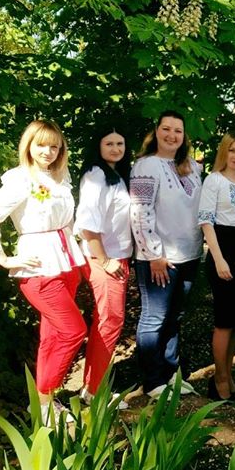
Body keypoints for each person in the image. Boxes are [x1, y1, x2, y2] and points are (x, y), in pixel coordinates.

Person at [0, 120, 87, 425]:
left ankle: (45, 406)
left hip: (67, 265)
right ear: (29, 146)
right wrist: (2, 258)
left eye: (54, 146)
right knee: (73, 331)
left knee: (51, 337)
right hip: (39, 269)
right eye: (41, 145)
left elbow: (68, 222)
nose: (48, 152)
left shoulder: (60, 178)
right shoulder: (21, 180)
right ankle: (47, 395)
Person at [129, 110, 203, 398]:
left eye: (178, 130)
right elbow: (140, 211)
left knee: (175, 316)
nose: (172, 135)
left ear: (184, 136)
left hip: (189, 254)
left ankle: (171, 373)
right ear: (156, 131)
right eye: (166, 129)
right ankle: (152, 380)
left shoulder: (191, 167)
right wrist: (153, 254)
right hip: (160, 258)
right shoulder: (146, 165)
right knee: (155, 317)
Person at [74, 122, 133, 409]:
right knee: (109, 323)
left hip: (116, 257)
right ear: (97, 146)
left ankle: (92, 385)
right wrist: (105, 260)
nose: (115, 148)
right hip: (104, 259)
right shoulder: (96, 175)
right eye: (109, 143)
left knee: (107, 322)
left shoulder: (114, 174)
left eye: (120, 144)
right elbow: (87, 224)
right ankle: (95, 392)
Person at [198, 131, 235, 401]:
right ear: (224, 151)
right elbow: (206, 221)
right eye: (232, 150)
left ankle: (228, 373)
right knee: (223, 320)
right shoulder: (214, 180)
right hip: (221, 249)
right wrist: (219, 258)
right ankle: (219, 379)